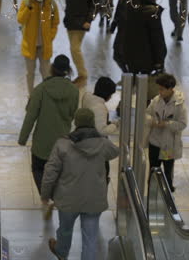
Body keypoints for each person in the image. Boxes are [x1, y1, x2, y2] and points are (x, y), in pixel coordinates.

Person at [42, 108, 119, 260]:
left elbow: (50, 172)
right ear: (92, 123)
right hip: (93, 198)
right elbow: (115, 152)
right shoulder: (103, 143)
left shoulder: (62, 144)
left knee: (65, 229)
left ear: (75, 122)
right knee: (90, 238)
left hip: (67, 197)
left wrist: (45, 194)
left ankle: (62, 252)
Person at [18, 54, 79, 215]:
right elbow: (73, 114)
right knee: (58, 170)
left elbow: (31, 116)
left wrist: (23, 138)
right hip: (62, 142)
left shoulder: (41, 89)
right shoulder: (73, 91)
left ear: (52, 69)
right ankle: (57, 196)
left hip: (41, 143)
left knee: (38, 169)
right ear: (68, 71)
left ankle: (45, 198)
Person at [146, 73, 187, 193]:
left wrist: (167, 124)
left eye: (162, 89)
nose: (159, 92)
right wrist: (151, 121)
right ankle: (151, 195)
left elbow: (182, 124)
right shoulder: (156, 100)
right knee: (153, 170)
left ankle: (167, 195)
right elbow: (147, 114)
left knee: (168, 172)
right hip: (154, 143)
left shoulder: (179, 105)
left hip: (167, 146)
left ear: (170, 89)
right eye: (159, 89)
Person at [112, 0, 167, 74]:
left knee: (131, 80)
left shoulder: (128, 4)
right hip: (146, 59)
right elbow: (157, 39)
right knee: (144, 83)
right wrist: (160, 61)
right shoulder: (152, 12)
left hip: (127, 55)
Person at [17, 0, 60, 95]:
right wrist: (29, 6)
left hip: (45, 46)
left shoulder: (51, 3)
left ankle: (47, 96)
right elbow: (20, 19)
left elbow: (55, 22)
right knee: (30, 73)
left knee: (46, 73)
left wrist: (50, 38)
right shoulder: (26, 2)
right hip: (29, 46)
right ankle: (31, 96)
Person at [82, 77, 118, 184]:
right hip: (97, 147)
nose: (111, 97)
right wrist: (114, 125)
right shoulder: (99, 107)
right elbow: (101, 131)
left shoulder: (87, 98)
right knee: (102, 174)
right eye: (111, 94)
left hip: (86, 143)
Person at [63, 0, 95, 87]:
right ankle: (81, 75)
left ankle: (83, 75)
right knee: (73, 49)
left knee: (75, 49)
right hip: (70, 22)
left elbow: (93, 5)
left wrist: (89, 20)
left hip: (81, 23)